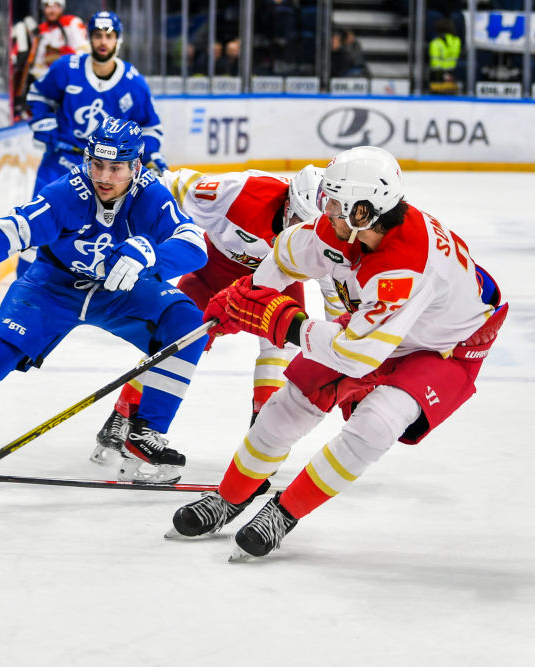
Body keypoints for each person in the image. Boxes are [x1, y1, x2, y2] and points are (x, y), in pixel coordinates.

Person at [168, 146, 507, 559]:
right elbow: (288, 252)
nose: (324, 210)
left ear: (363, 212)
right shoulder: (347, 227)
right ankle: (230, 497)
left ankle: (284, 513)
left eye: (334, 202)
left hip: (446, 346)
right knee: (291, 402)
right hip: (383, 326)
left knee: (377, 423)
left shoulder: (404, 266)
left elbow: (357, 355)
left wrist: (282, 321)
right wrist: (249, 294)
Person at [0, 118, 210, 484]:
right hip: (53, 288)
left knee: (188, 325)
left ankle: (144, 433)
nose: (104, 177)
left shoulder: (151, 195)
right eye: (97, 164)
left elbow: (194, 244)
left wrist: (151, 255)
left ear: (136, 166)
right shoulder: (67, 192)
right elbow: (11, 228)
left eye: (116, 168)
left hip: (118, 292)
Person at [91, 164, 332, 466]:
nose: (301, 233)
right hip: (214, 271)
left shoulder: (330, 238)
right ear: (288, 203)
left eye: (312, 227)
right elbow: (173, 184)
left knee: (282, 344)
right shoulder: (240, 192)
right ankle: (124, 413)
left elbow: (336, 299)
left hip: (280, 280)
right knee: (178, 339)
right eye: (298, 220)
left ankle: (264, 437)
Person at [20, 10, 168, 277]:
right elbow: (38, 94)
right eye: (97, 35)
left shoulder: (133, 82)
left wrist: (150, 153)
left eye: (109, 36)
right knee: (37, 225)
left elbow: (150, 126)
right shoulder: (67, 68)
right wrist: (45, 124)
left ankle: (89, 289)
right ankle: (26, 288)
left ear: (118, 40)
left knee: (100, 236)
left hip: (106, 172)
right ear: (88, 38)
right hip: (61, 162)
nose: (103, 41)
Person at [429, 17, 461, 95]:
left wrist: (444, 76)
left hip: (440, 79)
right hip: (455, 75)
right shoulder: (457, 41)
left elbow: (435, 66)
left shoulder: (435, 43)